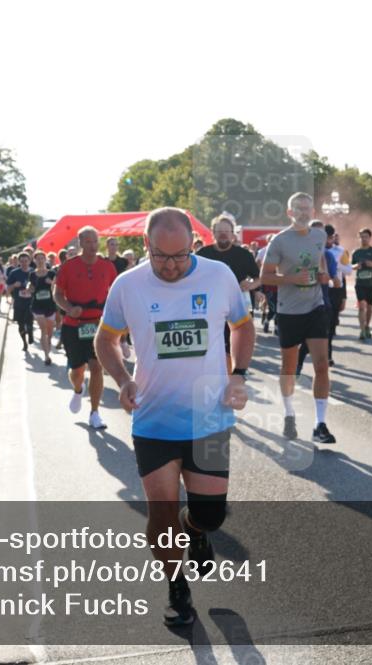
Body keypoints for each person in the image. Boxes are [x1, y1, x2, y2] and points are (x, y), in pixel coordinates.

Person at [94, 207, 255, 627]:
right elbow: (105, 339)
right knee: (161, 512)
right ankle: (176, 587)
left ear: (193, 245)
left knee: (210, 514)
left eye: (180, 256)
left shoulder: (219, 276)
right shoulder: (127, 285)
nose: (170, 266)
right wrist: (122, 379)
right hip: (154, 419)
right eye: (161, 257)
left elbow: (243, 325)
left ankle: (196, 529)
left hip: (208, 418)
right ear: (145, 246)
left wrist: (238, 376)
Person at [262, 192, 336, 444]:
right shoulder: (280, 241)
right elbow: (266, 277)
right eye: (298, 208)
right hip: (288, 310)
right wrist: (292, 279)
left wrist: (324, 274)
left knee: (322, 365)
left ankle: (320, 423)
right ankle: (289, 413)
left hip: (315, 307)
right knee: (289, 368)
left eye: (307, 208)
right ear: (290, 212)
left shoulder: (320, 235)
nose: (303, 212)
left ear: (313, 212)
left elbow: (321, 261)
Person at [54, 226, 117, 430]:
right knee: (77, 370)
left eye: (95, 241)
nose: (92, 245)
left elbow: (115, 293)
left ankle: (95, 413)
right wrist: (69, 308)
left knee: (97, 367)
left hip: (98, 324)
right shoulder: (68, 267)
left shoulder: (107, 267)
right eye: (88, 241)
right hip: (74, 325)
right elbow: (58, 294)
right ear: (80, 243)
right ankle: (78, 389)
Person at [196, 214, 261, 373]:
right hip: (210, 308)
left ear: (233, 234)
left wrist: (251, 285)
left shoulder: (244, 255)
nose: (223, 234)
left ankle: (232, 379)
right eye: (219, 231)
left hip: (237, 306)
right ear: (213, 233)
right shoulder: (202, 254)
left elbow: (259, 278)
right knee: (213, 346)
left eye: (227, 231)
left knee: (233, 346)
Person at [297, 223, 340, 373]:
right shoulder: (300, 252)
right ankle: (299, 361)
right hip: (302, 301)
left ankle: (306, 361)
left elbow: (335, 280)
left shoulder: (328, 255)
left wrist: (334, 279)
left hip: (322, 301)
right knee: (306, 336)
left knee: (322, 333)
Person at [351, 228, 372, 340]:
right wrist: (356, 266)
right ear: (359, 238)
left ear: (370, 238)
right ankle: (362, 330)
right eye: (362, 237)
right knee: (361, 306)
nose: (364, 239)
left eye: (366, 236)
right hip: (360, 283)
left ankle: (367, 326)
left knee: (369, 307)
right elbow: (351, 266)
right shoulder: (356, 252)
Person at [29, 251, 57, 365]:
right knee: (43, 329)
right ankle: (46, 356)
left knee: (49, 332)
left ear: (45, 260)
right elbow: (31, 287)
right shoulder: (32, 274)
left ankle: (48, 343)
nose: (40, 261)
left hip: (50, 305)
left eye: (42, 258)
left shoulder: (51, 273)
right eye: (38, 259)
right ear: (34, 261)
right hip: (37, 305)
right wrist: (30, 288)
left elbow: (57, 288)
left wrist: (51, 283)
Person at [7, 252, 35, 352]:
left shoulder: (33, 272)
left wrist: (32, 289)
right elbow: (8, 289)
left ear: (29, 261)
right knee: (21, 324)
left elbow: (38, 287)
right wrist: (14, 285)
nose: (24, 263)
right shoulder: (14, 273)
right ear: (18, 262)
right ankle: (24, 342)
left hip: (30, 302)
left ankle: (31, 334)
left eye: (26, 261)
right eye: (22, 261)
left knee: (29, 321)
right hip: (19, 302)